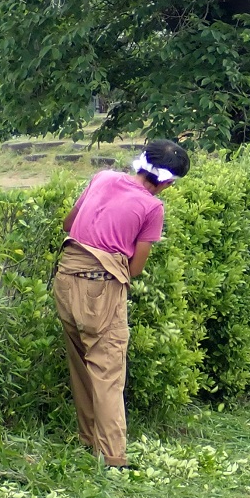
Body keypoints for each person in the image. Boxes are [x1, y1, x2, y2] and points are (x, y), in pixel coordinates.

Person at [52, 139, 189, 468]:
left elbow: (69, 225)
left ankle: (89, 440)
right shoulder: (152, 208)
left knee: (81, 366)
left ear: (140, 162)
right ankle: (113, 458)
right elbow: (136, 267)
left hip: (65, 278)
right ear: (168, 182)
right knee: (108, 372)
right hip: (101, 288)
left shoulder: (103, 178)